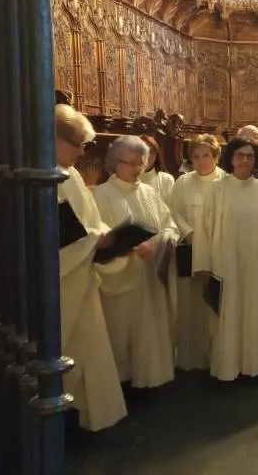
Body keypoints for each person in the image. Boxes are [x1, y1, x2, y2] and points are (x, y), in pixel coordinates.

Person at [54, 104, 128, 431]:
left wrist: (102, 236)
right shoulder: (46, 175)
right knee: (69, 346)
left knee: (89, 346)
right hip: (61, 281)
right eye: (78, 144)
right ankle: (65, 416)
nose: (83, 152)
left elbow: (87, 222)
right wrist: (97, 239)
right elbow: (59, 235)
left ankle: (87, 414)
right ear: (55, 139)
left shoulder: (69, 174)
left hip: (80, 274)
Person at [192, 137, 258, 381]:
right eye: (239, 155)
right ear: (230, 158)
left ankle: (250, 366)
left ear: (255, 160)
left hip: (255, 265)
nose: (244, 160)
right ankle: (225, 368)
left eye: (250, 156)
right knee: (225, 314)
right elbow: (203, 229)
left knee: (252, 312)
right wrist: (203, 264)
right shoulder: (216, 189)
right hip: (223, 263)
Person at [93, 135, 178, 390]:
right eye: (130, 163)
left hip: (150, 275)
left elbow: (170, 225)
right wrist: (124, 247)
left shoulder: (150, 192)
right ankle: (123, 383)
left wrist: (158, 243)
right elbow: (96, 237)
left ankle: (149, 379)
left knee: (149, 331)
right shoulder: (101, 194)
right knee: (121, 332)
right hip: (119, 279)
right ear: (114, 163)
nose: (137, 169)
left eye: (141, 163)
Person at [167, 134, 226, 371]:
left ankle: (215, 355)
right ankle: (191, 357)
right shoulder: (183, 182)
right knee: (190, 304)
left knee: (213, 304)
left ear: (216, 156)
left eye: (206, 156)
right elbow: (172, 211)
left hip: (217, 251)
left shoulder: (226, 181)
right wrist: (189, 234)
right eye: (196, 156)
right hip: (189, 248)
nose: (201, 161)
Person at [139, 134, 176, 203]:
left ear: (157, 156)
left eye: (152, 152)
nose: (147, 156)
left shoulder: (166, 180)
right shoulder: (125, 179)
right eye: (143, 151)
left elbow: (171, 210)